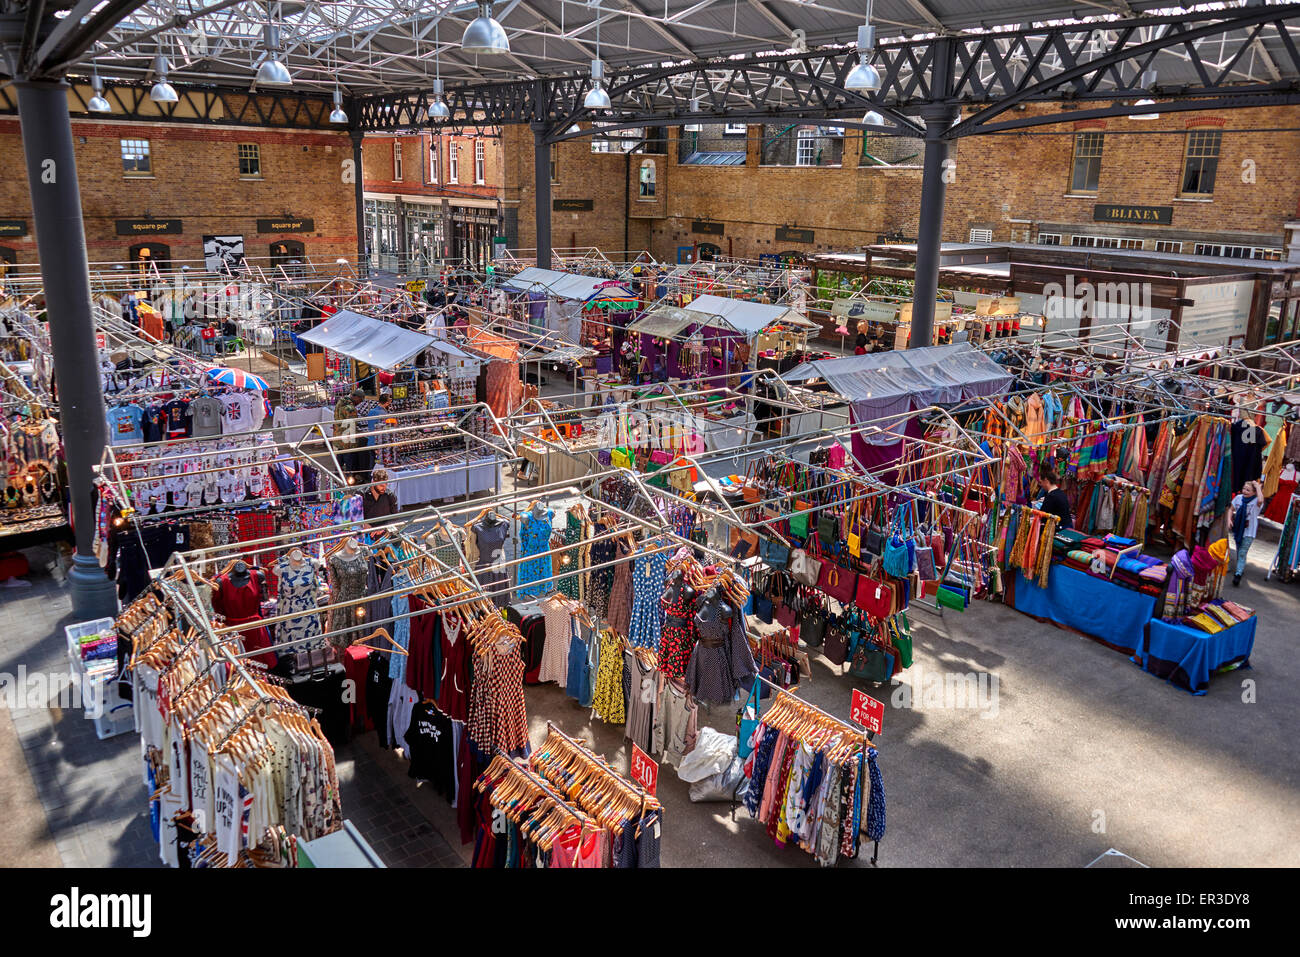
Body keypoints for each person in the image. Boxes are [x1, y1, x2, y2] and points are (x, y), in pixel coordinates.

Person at [1230, 480, 1266, 586]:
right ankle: (1240, 567)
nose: (1245, 491)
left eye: (1248, 490)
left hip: (1249, 532)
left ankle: (1238, 575)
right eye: (1244, 489)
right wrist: (1229, 519)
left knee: (1242, 552)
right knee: (1239, 550)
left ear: (1254, 492)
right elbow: (1230, 509)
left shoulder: (1256, 502)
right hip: (1238, 530)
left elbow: (1260, 499)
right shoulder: (1238, 498)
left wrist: (1258, 487)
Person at [1037, 461, 1072, 530]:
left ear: (1046, 480)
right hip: (1067, 526)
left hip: (1060, 529)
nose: (1040, 485)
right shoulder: (1060, 493)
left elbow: (1043, 517)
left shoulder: (1051, 496)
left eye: (1041, 482)